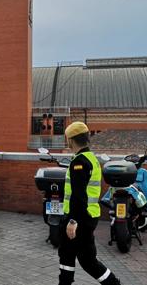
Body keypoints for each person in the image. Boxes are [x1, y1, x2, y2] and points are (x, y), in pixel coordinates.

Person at [58, 122, 121, 285]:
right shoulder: (91, 158)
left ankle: (114, 283)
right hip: (88, 216)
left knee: (86, 260)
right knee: (69, 255)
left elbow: (79, 196)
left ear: (71, 140)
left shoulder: (79, 162)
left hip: (80, 218)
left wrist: (72, 222)